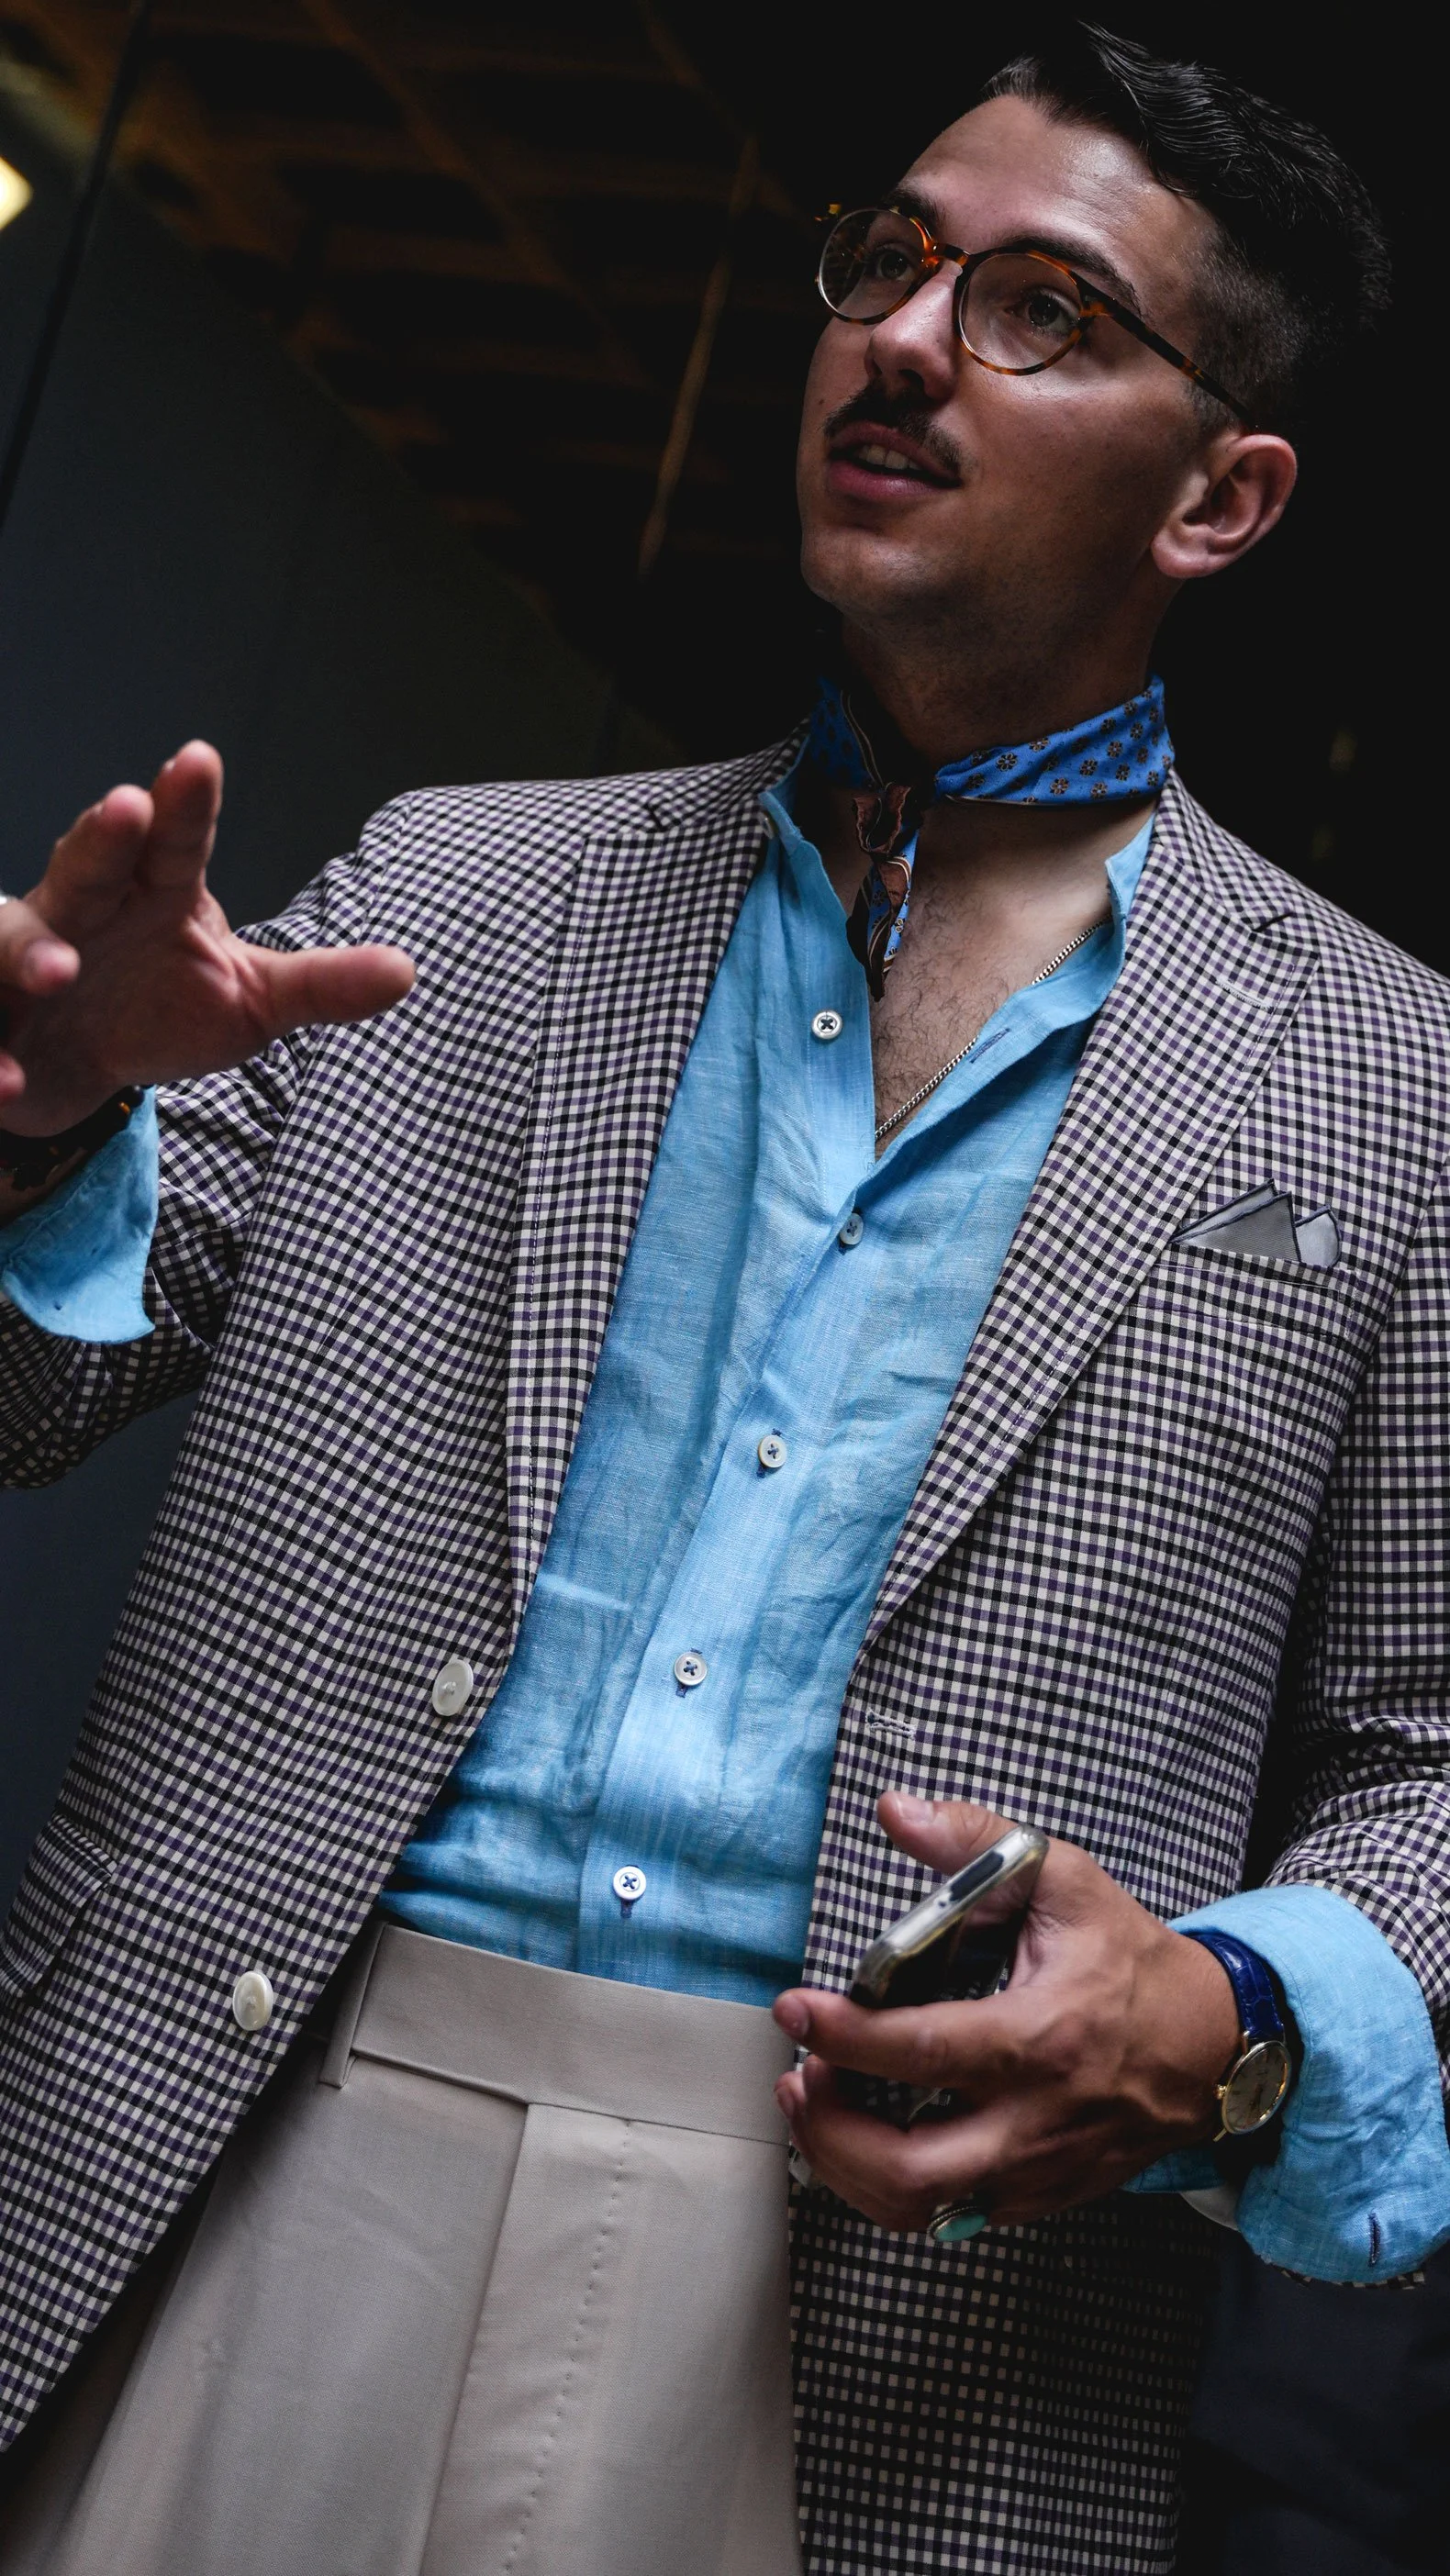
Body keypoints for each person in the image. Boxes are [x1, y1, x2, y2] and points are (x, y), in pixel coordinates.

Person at [0, 23, 1444, 2575]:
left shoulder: (1395, 1088)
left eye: (1039, 309)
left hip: (899, 2324)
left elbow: (1432, 1753)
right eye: (883, 264)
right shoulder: (449, 891)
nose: (903, 343)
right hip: (230, 2138)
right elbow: (32, 1397)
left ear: (1219, 496)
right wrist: (40, 1132)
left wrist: (1231, 2011)